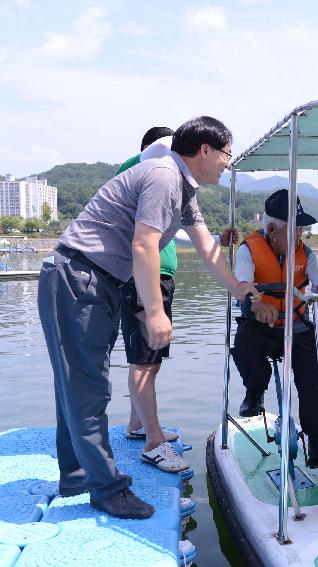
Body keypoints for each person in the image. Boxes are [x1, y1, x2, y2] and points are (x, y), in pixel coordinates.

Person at [38, 116, 257, 519]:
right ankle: (107, 489)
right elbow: (144, 244)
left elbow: (207, 246)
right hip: (78, 279)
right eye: (227, 154)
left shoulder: (183, 188)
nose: (229, 163)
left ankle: (75, 475)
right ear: (205, 150)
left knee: (74, 384)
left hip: (94, 281)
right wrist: (155, 312)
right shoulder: (163, 176)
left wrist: (238, 288)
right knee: (87, 388)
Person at [231, 189, 318, 469]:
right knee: (244, 346)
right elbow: (243, 284)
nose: (300, 233)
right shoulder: (248, 250)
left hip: (296, 325)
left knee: (314, 380)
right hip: (261, 324)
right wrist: (256, 302)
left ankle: (317, 443)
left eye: (301, 228)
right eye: (295, 228)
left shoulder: (305, 252)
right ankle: (255, 392)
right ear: (273, 229)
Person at [114, 128, 189, 474]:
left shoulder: (171, 176)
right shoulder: (145, 168)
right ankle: (153, 441)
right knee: (143, 359)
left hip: (161, 276)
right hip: (141, 276)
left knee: (150, 359)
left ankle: (137, 425)